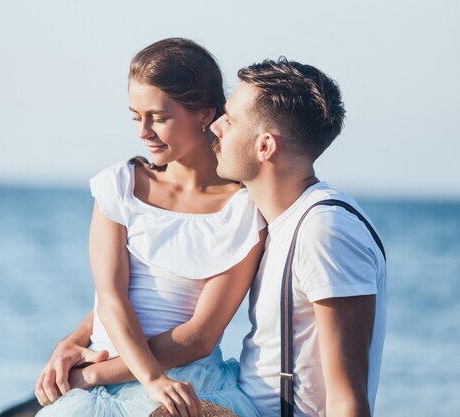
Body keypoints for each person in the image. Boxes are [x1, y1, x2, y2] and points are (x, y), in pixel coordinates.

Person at [34, 38, 266, 417]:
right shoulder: (120, 186)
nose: (143, 131)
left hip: (186, 381)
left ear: (205, 113)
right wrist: (84, 348)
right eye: (135, 116)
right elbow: (112, 297)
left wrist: (98, 376)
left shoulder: (242, 210)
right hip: (113, 379)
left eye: (159, 117)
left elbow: (199, 337)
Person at [210, 58, 387, 417]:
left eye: (229, 120)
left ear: (265, 147)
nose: (216, 127)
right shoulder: (276, 220)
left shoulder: (326, 230)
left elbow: (347, 399)